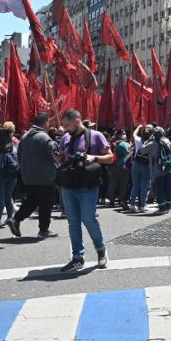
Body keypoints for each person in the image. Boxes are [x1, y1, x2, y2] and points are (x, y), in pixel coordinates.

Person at [55, 109, 115, 273]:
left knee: (88, 219)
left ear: (77, 120)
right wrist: (59, 158)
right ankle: (77, 257)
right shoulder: (66, 138)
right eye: (64, 126)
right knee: (73, 222)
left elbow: (110, 158)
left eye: (67, 125)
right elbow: (62, 157)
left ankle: (101, 249)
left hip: (88, 185)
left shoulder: (96, 136)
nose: (65, 129)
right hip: (68, 185)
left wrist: (94, 157)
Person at [7, 113, 60, 239]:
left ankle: (15, 219)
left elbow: (19, 156)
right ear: (46, 122)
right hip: (45, 176)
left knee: (32, 201)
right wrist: (59, 137)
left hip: (28, 176)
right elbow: (56, 153)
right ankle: (43, 230)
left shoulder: (25, 137)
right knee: (46, 203)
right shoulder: (43, 137)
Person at [140, 127, 171, 214]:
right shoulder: (167, 141)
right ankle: (167, 207)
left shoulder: (152, 144)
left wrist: (147, 141)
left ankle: (162, 208)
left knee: (160, 189)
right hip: (169, 168)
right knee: (167, 189)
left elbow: (142, 150)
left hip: (158, 170)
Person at [128, 125, 153, 213]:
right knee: (144, 186)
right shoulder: (152, 143)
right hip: (146, 166)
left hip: (136, 164)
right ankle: (142, 205)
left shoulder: (138, 140)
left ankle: (132, 205)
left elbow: (134, 134)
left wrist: (138, 127)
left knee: (135, 185)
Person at [107, 129, 131, 209]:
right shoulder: (123, 144)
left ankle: (112, 201)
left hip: (112, 165)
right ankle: (122, 200)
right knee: (123, 184)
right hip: (122, 166)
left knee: (113, 184)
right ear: (120, 135)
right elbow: (128, 154)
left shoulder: (113, 143)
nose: (125, 135)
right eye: (124, 133)